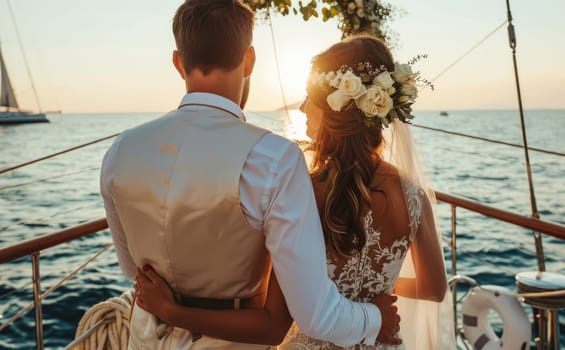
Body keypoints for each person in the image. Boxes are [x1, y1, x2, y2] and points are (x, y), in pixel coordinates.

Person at [100, 1, 400, 349]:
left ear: (179, 63)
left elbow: (131, 268)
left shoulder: (120, 151)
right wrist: (375, 318)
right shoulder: (274, 159)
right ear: (250, 59)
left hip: (144, 338)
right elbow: (315, 314)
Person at [135, 34, 456, 349]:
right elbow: (434, 288)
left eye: (308, 97)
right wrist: (374, 296)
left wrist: (172, 310)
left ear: (334, 109)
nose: (302, 107)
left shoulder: (305, 190)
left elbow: (272, 316)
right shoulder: (413, 195)